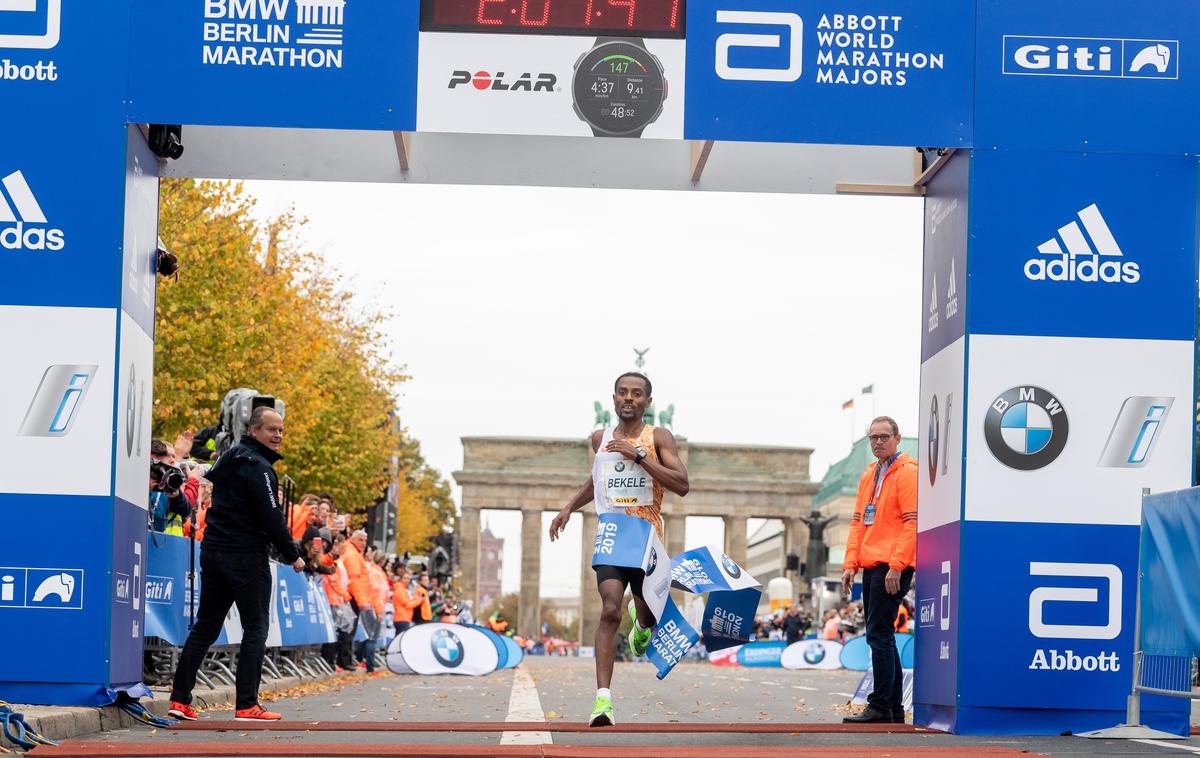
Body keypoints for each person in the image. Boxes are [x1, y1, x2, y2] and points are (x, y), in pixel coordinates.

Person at [548, 371, 690, 727]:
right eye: (623, 392)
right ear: (613, 398)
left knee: (646, 614)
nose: (629, 398)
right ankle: (603, 701)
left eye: (637, 393)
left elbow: (683, 484)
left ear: (647, 402)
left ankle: (642, 625)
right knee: (610, 609)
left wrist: (640, 455)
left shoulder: (659, 437)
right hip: (611, 532)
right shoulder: (600, 438)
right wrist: (569, 507)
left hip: (645, 536)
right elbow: (598, 478)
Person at [168, 408, 304, 723]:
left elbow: (215, 487)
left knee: (206, 625)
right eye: (272, 429)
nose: (278, 435)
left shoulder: (228, 457)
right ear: (254, 430)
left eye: (281, 430)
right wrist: (292, 555)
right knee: (255, 627)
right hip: (245, 556)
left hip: (214, 551)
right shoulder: (259, 468)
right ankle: (246, 704)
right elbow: (272, 518)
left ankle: (179, 698)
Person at [841, 416, 917, 725]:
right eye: (873, 437)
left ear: (897, 438)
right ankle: (892, 707)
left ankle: (881, 705)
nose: (878, 442)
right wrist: (849, 564)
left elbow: (913, 523)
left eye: (884, 436)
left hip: (892, 565)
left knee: (879, 634)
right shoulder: (869, 475)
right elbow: (858, 522)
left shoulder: (907, 473)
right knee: (879, 635)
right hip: (871, 565)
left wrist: (897, 566)